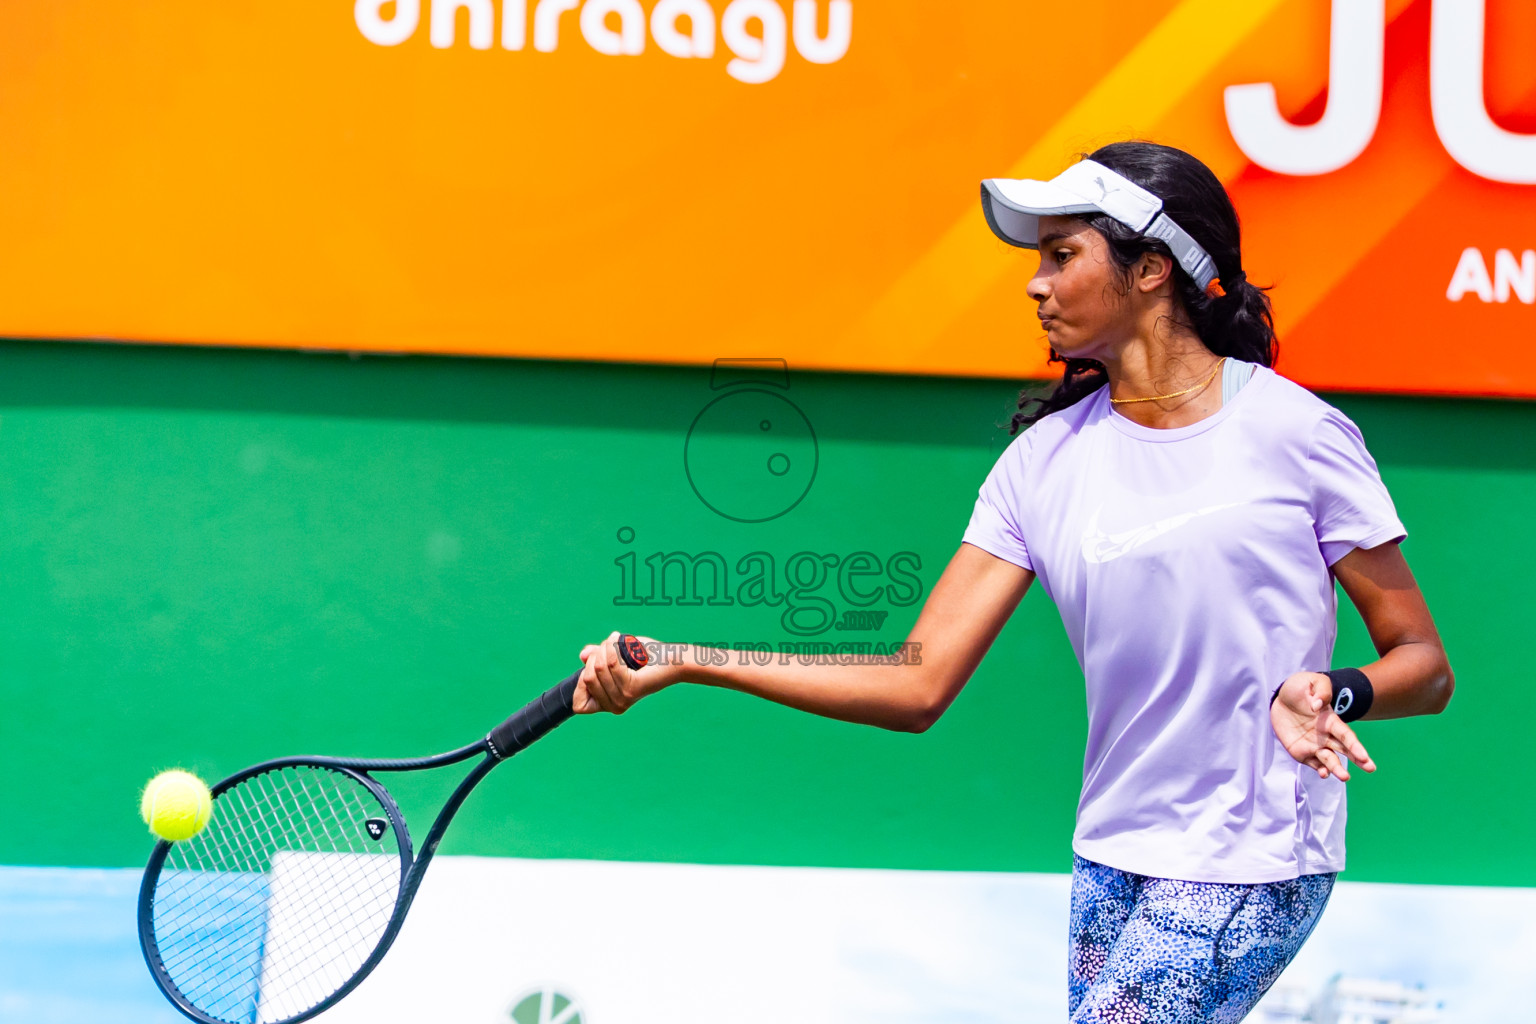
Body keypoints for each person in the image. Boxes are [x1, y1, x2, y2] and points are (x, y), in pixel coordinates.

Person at [571, 141, 1455, 1023]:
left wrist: (1334, 692)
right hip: (1112, 852)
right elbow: (917, 682)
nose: (1036, 284)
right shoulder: (1041, 465)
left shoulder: (1298, 434)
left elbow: (1424, 662)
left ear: (1151, 269)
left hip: (1254, 856)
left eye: (1062, 255)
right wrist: (690, 657)